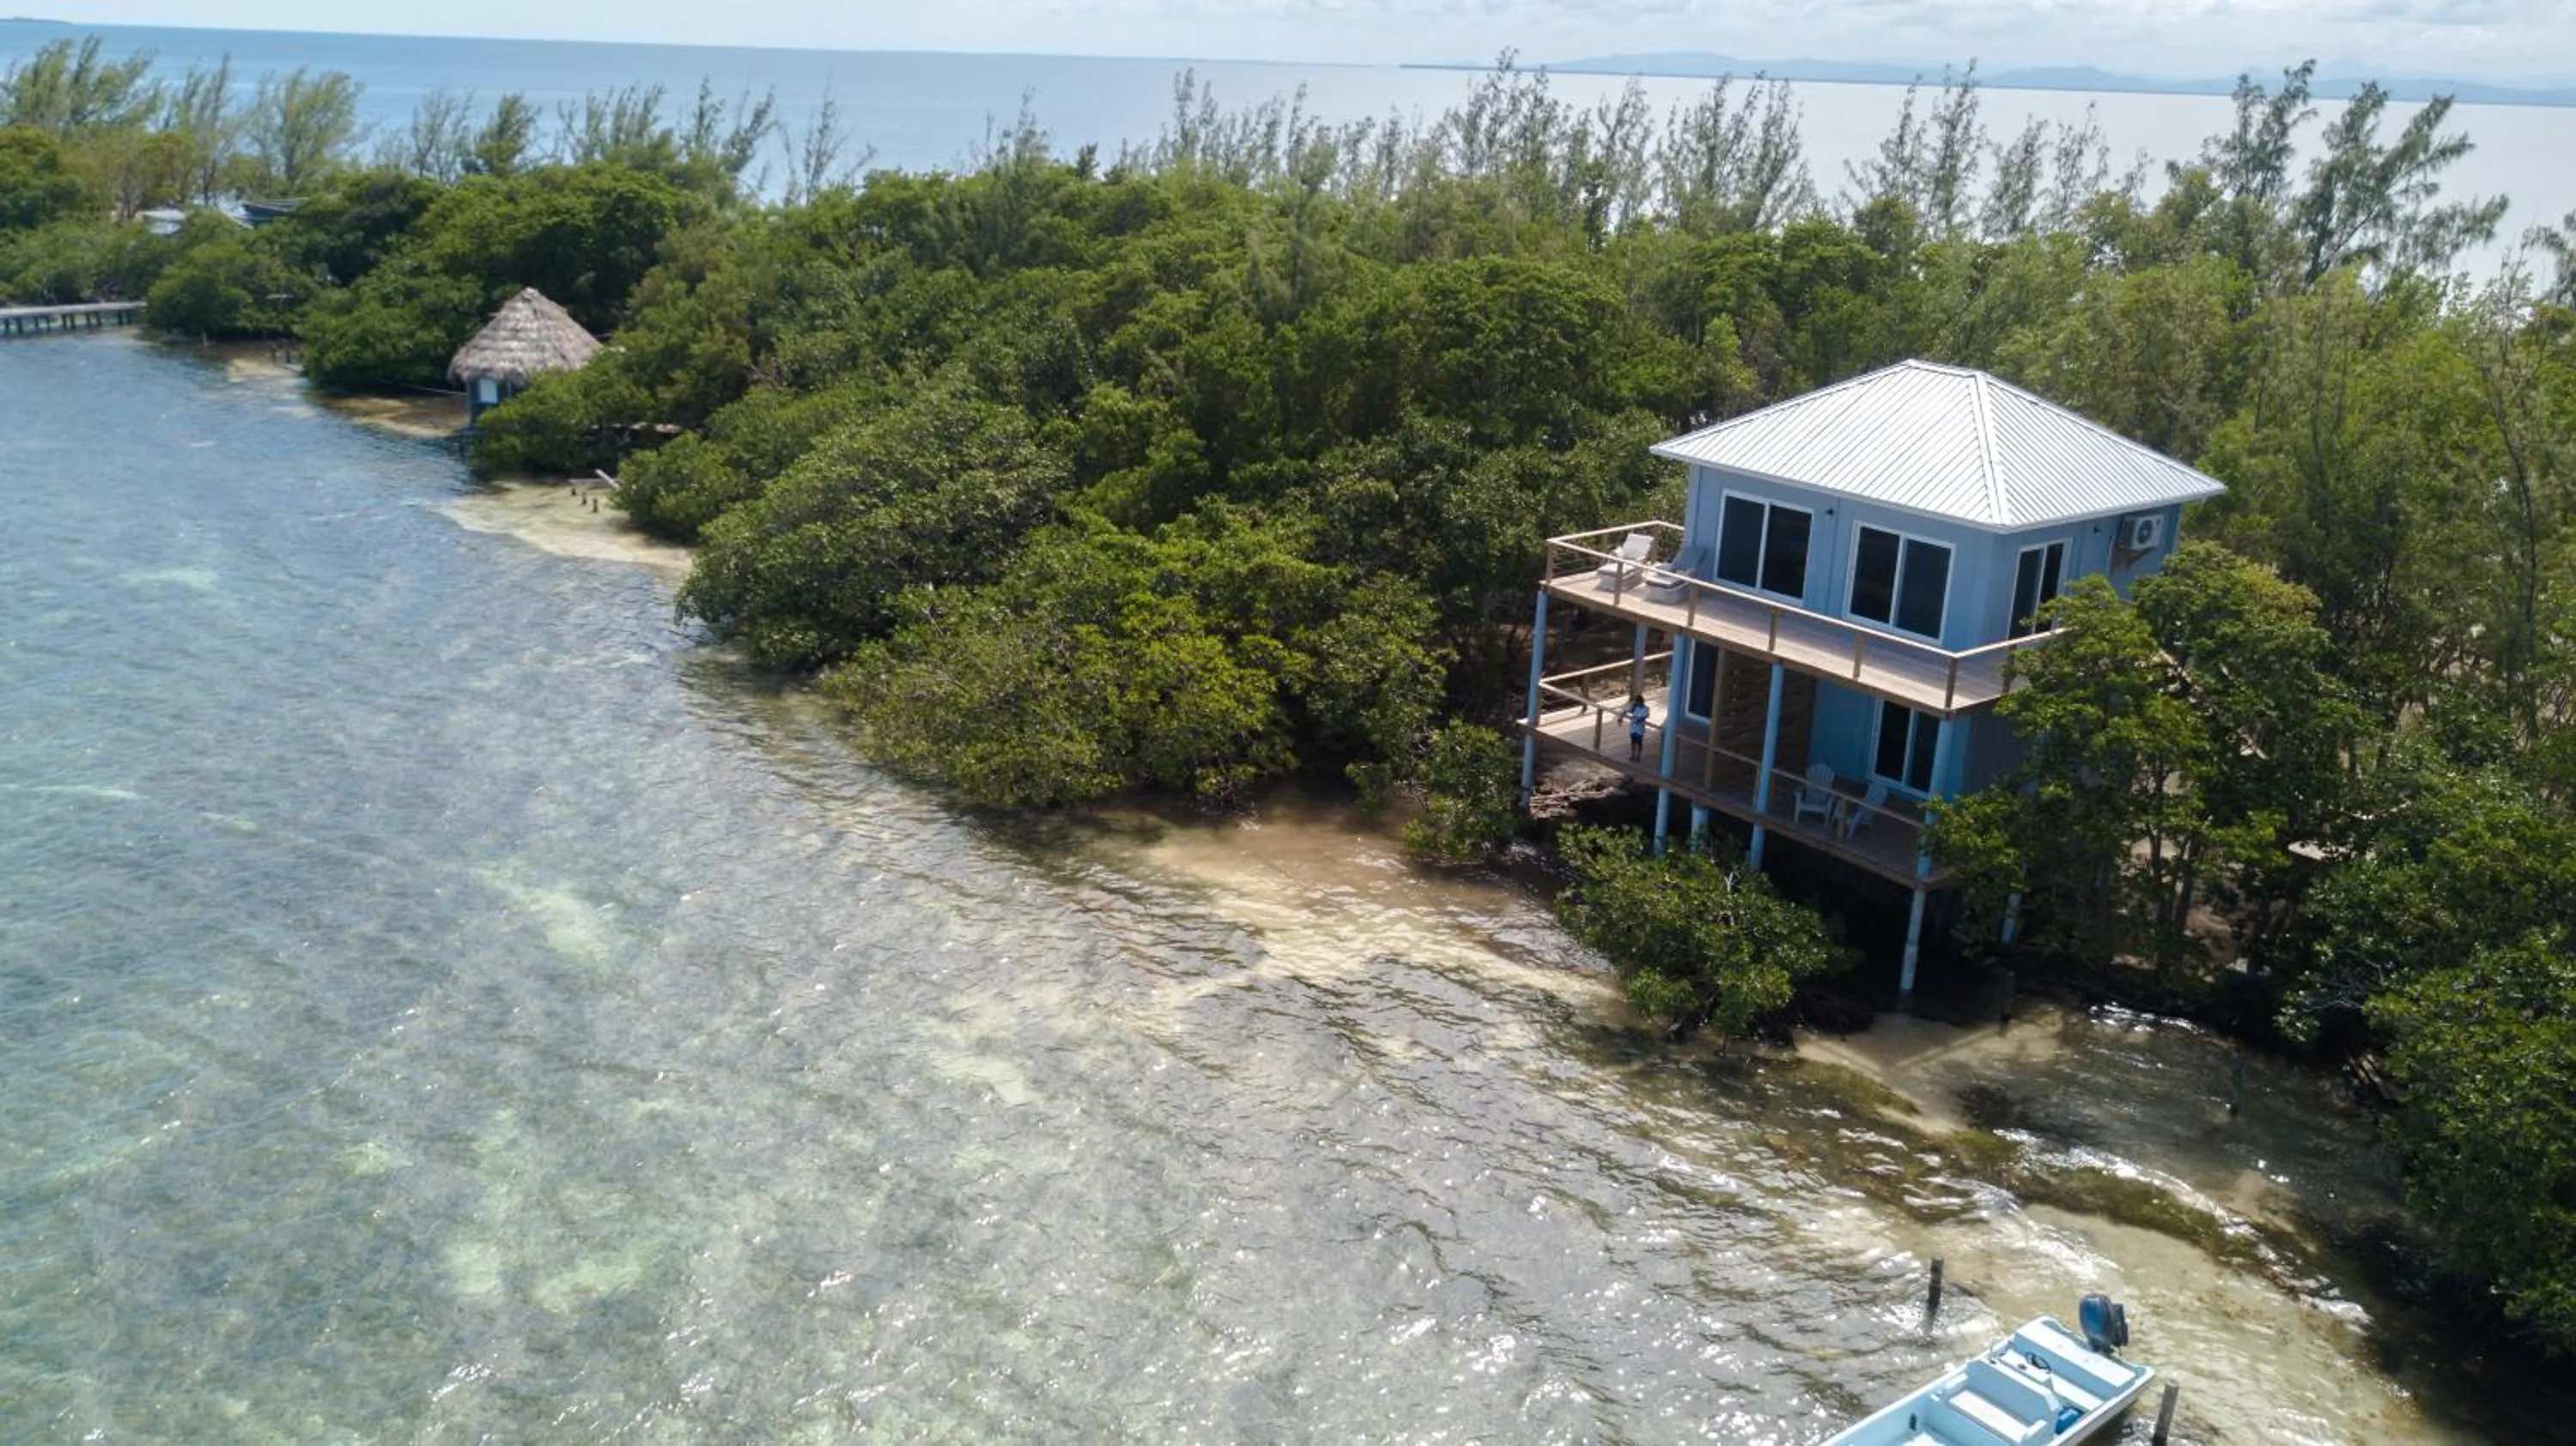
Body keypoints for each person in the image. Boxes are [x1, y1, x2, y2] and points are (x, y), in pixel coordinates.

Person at [1624, 694, 1650, 762]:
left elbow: (1644, 717)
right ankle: (1632, 755)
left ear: (1641, 702)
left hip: (1640, 728)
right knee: (1633, 741)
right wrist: (1632, 705)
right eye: (1636, 702)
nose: (1637, 703)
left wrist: (1637, 719)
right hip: (1633, 727)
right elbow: (1627, 711)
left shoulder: (1646, 708)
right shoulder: (1634, 707)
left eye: (1637, 702)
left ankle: (1638, 756)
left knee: (1639, 742)